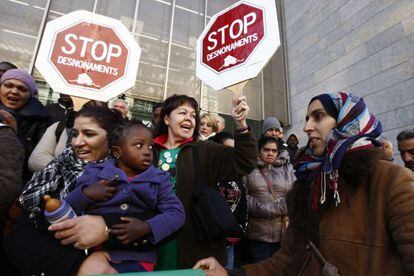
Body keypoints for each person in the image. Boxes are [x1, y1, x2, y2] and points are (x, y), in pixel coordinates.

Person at [195, 92, 414, 276]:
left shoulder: (392, 181)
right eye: (307, 118)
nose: (308, 127)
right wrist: (230, 273)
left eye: (318, 116)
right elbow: (288, 260)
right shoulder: (308, 185)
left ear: (348, 120)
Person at [4, 105, 128, 275]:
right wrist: (76, 266)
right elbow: (22, 232)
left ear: (112, 139)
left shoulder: (125, 176)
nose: (76, 142)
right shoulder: (61, 163)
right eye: (75, 134)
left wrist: (106, 230)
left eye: (89, 134)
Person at [64, 120, 185, 273]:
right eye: (139, 145)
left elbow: (176, 214)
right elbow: (67, 208)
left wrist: (146, 227)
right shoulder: (95, 172)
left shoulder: (160, 179)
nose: (147, 151)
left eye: (150, 146)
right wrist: (86, 194)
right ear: (117, 152)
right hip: (95, 256)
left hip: (140, 259)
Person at [153, 94, 257, 270]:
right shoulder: (148, 151)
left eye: (193, 115)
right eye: (182, 112)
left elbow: (244, 161)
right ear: (166, 119)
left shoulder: (205, 150)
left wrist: (241, 125)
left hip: (196, 249)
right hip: (154, 244)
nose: (189, 118)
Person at [245, 136, 295, 264]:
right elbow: (243, 197)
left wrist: (285, 207)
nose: (270, 153)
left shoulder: (287, 168)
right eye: (266, 150)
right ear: (258, 151)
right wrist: (274, 209)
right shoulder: (249, 168)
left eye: (274, 150)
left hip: (282, 234)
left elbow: (295, 194)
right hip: (258, 235)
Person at [0, 69, 52, 181]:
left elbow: (34, 161)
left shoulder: (41, 120)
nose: (14, 91)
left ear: (31, 95)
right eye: (8, 85)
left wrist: (13, 136)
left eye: (22, 89)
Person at [209, 132, 248, 270]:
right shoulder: (205, 175)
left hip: (230, 242)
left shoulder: (237, 175)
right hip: (207, 243)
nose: (233, 155)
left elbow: (243, 205)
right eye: (229, 150)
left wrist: (240, 229)